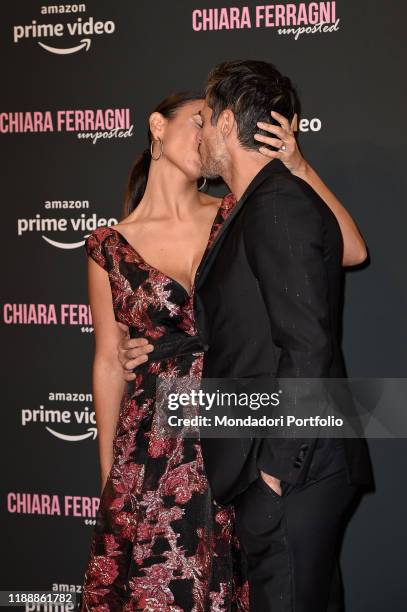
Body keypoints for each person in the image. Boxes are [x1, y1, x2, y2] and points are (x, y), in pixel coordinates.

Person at [82, 82, 367, 610]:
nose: (206, 129)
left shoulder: (238, 208)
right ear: (157, 126)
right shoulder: (109, 244)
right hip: (155, 446)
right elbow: (106, 360)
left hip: (240, 429)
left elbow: (348, 248)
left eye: (213, 119)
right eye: (196, 117)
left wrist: (298, 164)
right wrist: (110, 480)